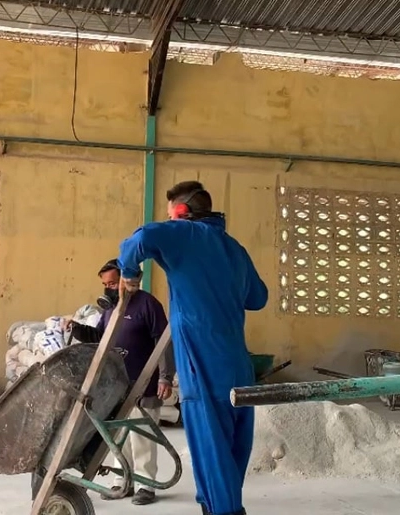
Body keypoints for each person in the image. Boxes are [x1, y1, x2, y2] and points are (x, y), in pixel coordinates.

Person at [117, 181, 268, 515]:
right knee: (230, 455)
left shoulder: (184, 234)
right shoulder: (235, 249)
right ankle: (216, 506)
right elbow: (258, 297)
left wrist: (130, 275)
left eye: (171, 213)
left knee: (212, 454)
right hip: (239, 367)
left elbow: (138, 241)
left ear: (181, 213)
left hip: (204, 366)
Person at [61, 259, 175, 506]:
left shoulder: (148, 305)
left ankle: (146, 485)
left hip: (143, 385)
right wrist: (78, 329)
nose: (109, 288)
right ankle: (123, 480)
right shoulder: (110, 310)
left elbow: (164, 342)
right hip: (116, 387)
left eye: (113, 283)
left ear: (128, 280)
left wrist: (165, 377)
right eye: (105, 284)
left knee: (142, 435)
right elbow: (100, 338)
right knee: (117, 435)